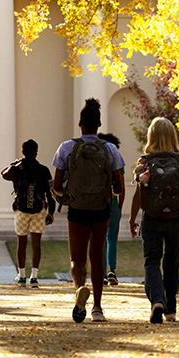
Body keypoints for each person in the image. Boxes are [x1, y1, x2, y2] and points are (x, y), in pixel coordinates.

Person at [129, 116, 179, 323]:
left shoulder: (144, 163)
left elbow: (138, 196)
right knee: (172, 262)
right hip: (176, 219)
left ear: (151, 136)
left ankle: (157, 300)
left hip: (152, 219)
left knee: (152, 261)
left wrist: (132, 220)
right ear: (172, 136)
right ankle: (171, 310)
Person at [52, 99, 125, 323]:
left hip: (77, 208)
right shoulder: (110, 149)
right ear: (99, 124)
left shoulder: (67, 147)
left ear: (80, 123)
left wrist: (64, 197)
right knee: (97, 256)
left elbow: (56, 184)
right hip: (101, 208)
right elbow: (119, 186)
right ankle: (98, 309)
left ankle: (79, 290)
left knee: (77, 258)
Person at [1, 139, 56, 289]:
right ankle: (34, 277)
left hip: (21, 210)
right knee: (36, 244)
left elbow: (3, 174)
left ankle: (22, 275)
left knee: (22, 242)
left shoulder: (17, 169)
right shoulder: (44, 170)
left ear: (23, 152)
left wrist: (13, 163)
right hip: (39, 211)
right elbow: (50, 194)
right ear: (36, 152)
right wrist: (51, 212)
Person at [97, 133, 126, 286]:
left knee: (100, 239)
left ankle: (101, 273)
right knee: (112, 238)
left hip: (99, 204)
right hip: (113, 204)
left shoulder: (98, 160)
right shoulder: (117, 159)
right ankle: (112, 271)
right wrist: (120, 206)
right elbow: (121, 186)